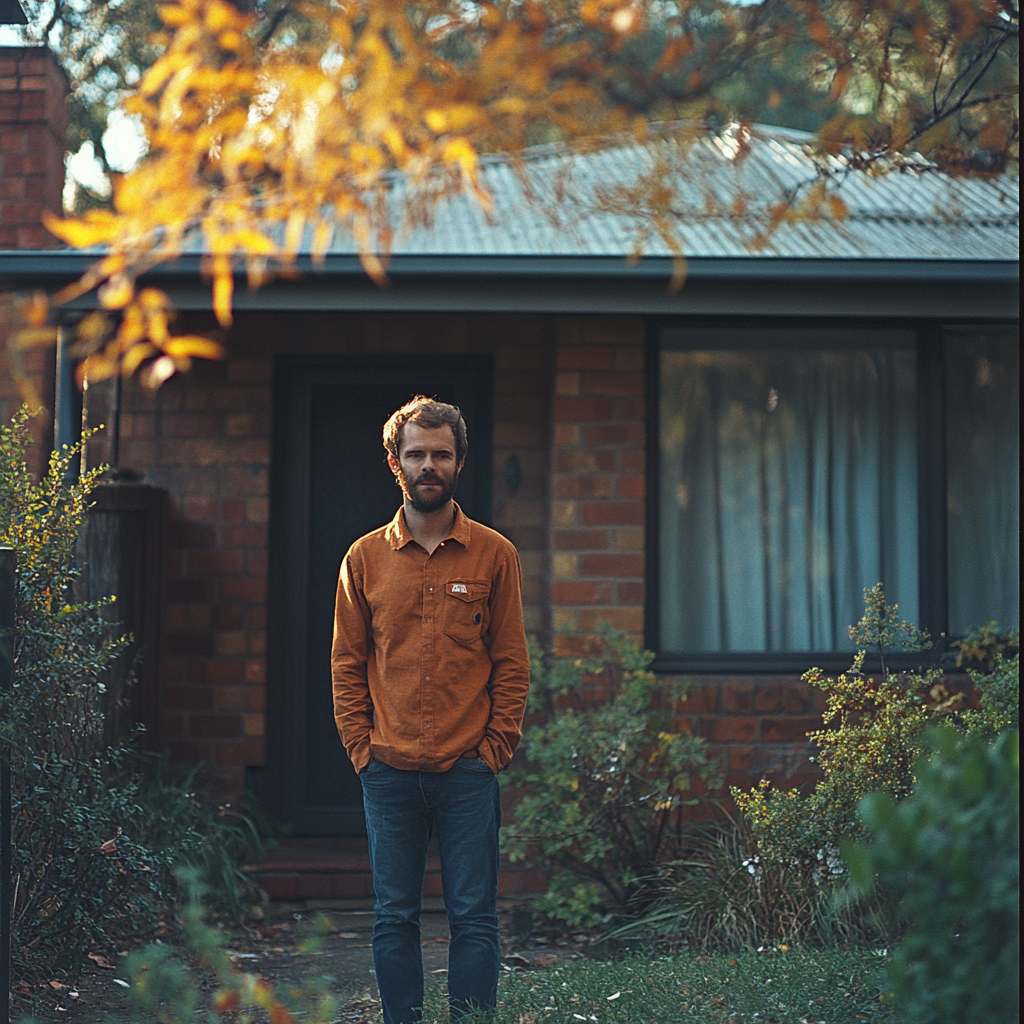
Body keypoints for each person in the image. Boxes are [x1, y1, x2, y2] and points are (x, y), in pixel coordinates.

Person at [331, 395, 531, 1024]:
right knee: (395, 918)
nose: (428, 465)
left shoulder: (495, 555)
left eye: (440, 454)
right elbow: (346, 665)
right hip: (388, 771)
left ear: (459, 461)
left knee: (474, 917)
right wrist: (363, 751)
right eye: (415, 454)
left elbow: (511, 662)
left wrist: (493, 750)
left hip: (467, 772)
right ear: (394, 462)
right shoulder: (363, 559)